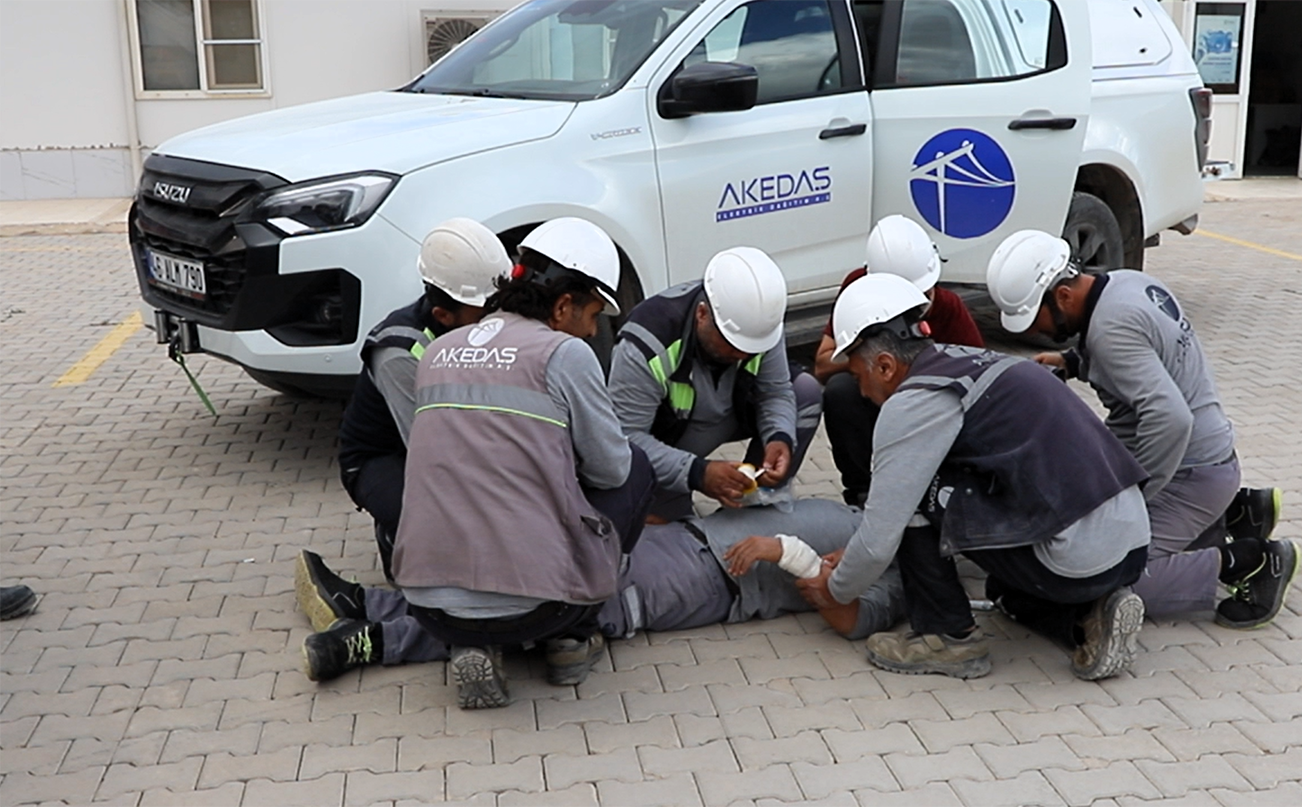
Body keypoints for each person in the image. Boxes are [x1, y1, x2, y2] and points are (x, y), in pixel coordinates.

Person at [309, 217, 656, 710]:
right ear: (562, 305)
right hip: (542, 609)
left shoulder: (435, 353)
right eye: (595, 312)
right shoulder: (566, 354)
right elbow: (611, 472)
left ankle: (470, 640)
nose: (595, 326)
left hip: (430, 610)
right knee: (635, 468)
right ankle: (573, 636)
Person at [796, 273, 1153, 682]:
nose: (860, 393)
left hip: (1073, 560)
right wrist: (858, 550)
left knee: (916, 490)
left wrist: (835, 590)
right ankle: (1087, 619)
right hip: (1131, 546)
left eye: (859, 376)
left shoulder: (914, 401)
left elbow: (880, 536)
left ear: (885, 364)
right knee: (1002, 592)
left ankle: (947, 638)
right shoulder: (970, 362)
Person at [985, 230, 1296, 630]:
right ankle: (1237, 513)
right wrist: (1074, 361)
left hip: (1191, 471)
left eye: (1036, 317)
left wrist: (1133, 495)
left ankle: (1251, 562)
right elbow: (1145, 354)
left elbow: (1171, 420)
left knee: (1112, 574)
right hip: (1207, 458)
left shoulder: (1109, 328)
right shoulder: (1125, 283)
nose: (1037, 331)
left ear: (1062, 296)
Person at [294, 499, 906, 683]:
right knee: (534, 569)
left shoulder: (900, 577)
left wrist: (787, 554)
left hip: (712, 583)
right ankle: (367, 604)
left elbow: (849, 617)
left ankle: (372, 642)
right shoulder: (869, 514)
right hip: (690, 539)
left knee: (558, 599)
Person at [336, 218, 510, 580]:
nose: (497, 322)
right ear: (444, 315)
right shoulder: (400, 352)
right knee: (450, 533)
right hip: (389, 456)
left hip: (456, 437)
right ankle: (395, 534)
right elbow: (433, 454)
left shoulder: (483, 315)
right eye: (485, 314)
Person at [608, 247, 821, 521]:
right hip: (669, 439)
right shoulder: (646, 343)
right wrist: (697, 473)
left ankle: (754, 510)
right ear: (702, 314)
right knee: (665, 530)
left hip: (730, 415)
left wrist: (779, 437)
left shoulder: (758, 325)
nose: (742, 355)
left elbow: (775, 392)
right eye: (732, 345)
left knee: (805, 392)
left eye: (750, 349)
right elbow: (627, 439)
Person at [813, 215, 985, 506]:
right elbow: (822, 364)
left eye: (925, 294)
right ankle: (861, 493)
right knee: (841, 390)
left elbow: (980, 376)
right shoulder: (857, 290)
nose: (921, 306)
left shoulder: (947, 307)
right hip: (878, 399)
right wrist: (865, 359)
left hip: (928, 411)